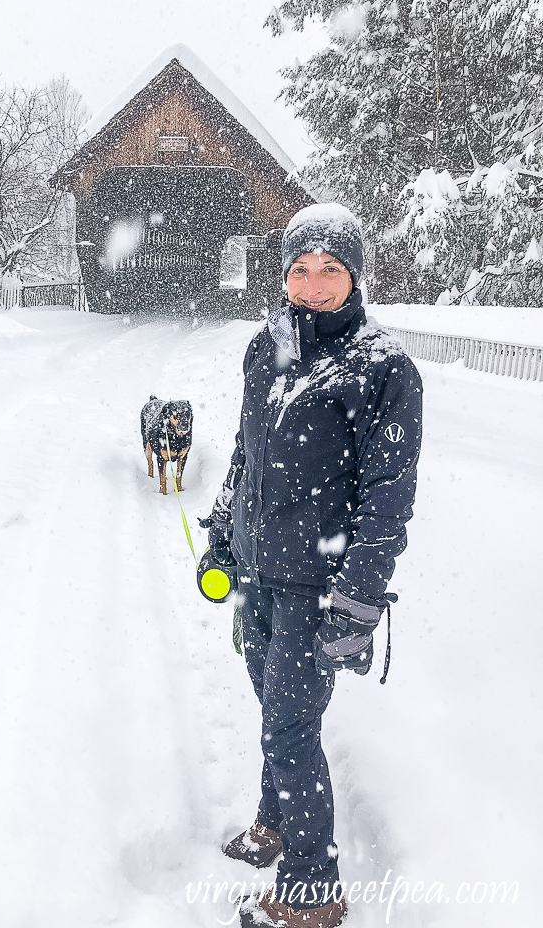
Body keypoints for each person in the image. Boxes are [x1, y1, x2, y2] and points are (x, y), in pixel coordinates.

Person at [203, 204, 422, 928]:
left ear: (355, 274)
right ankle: (275, 824)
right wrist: (223, 534)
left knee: (291, 730)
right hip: (261, 575)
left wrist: (357, 603)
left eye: (331, 269)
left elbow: (387, 498)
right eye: (301, 268)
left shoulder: (383, 368)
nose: (315, 282)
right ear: (285, 274)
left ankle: (311, 891)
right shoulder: (264, 350)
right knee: (276, 715)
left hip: (318, 588)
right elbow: (245, 454)